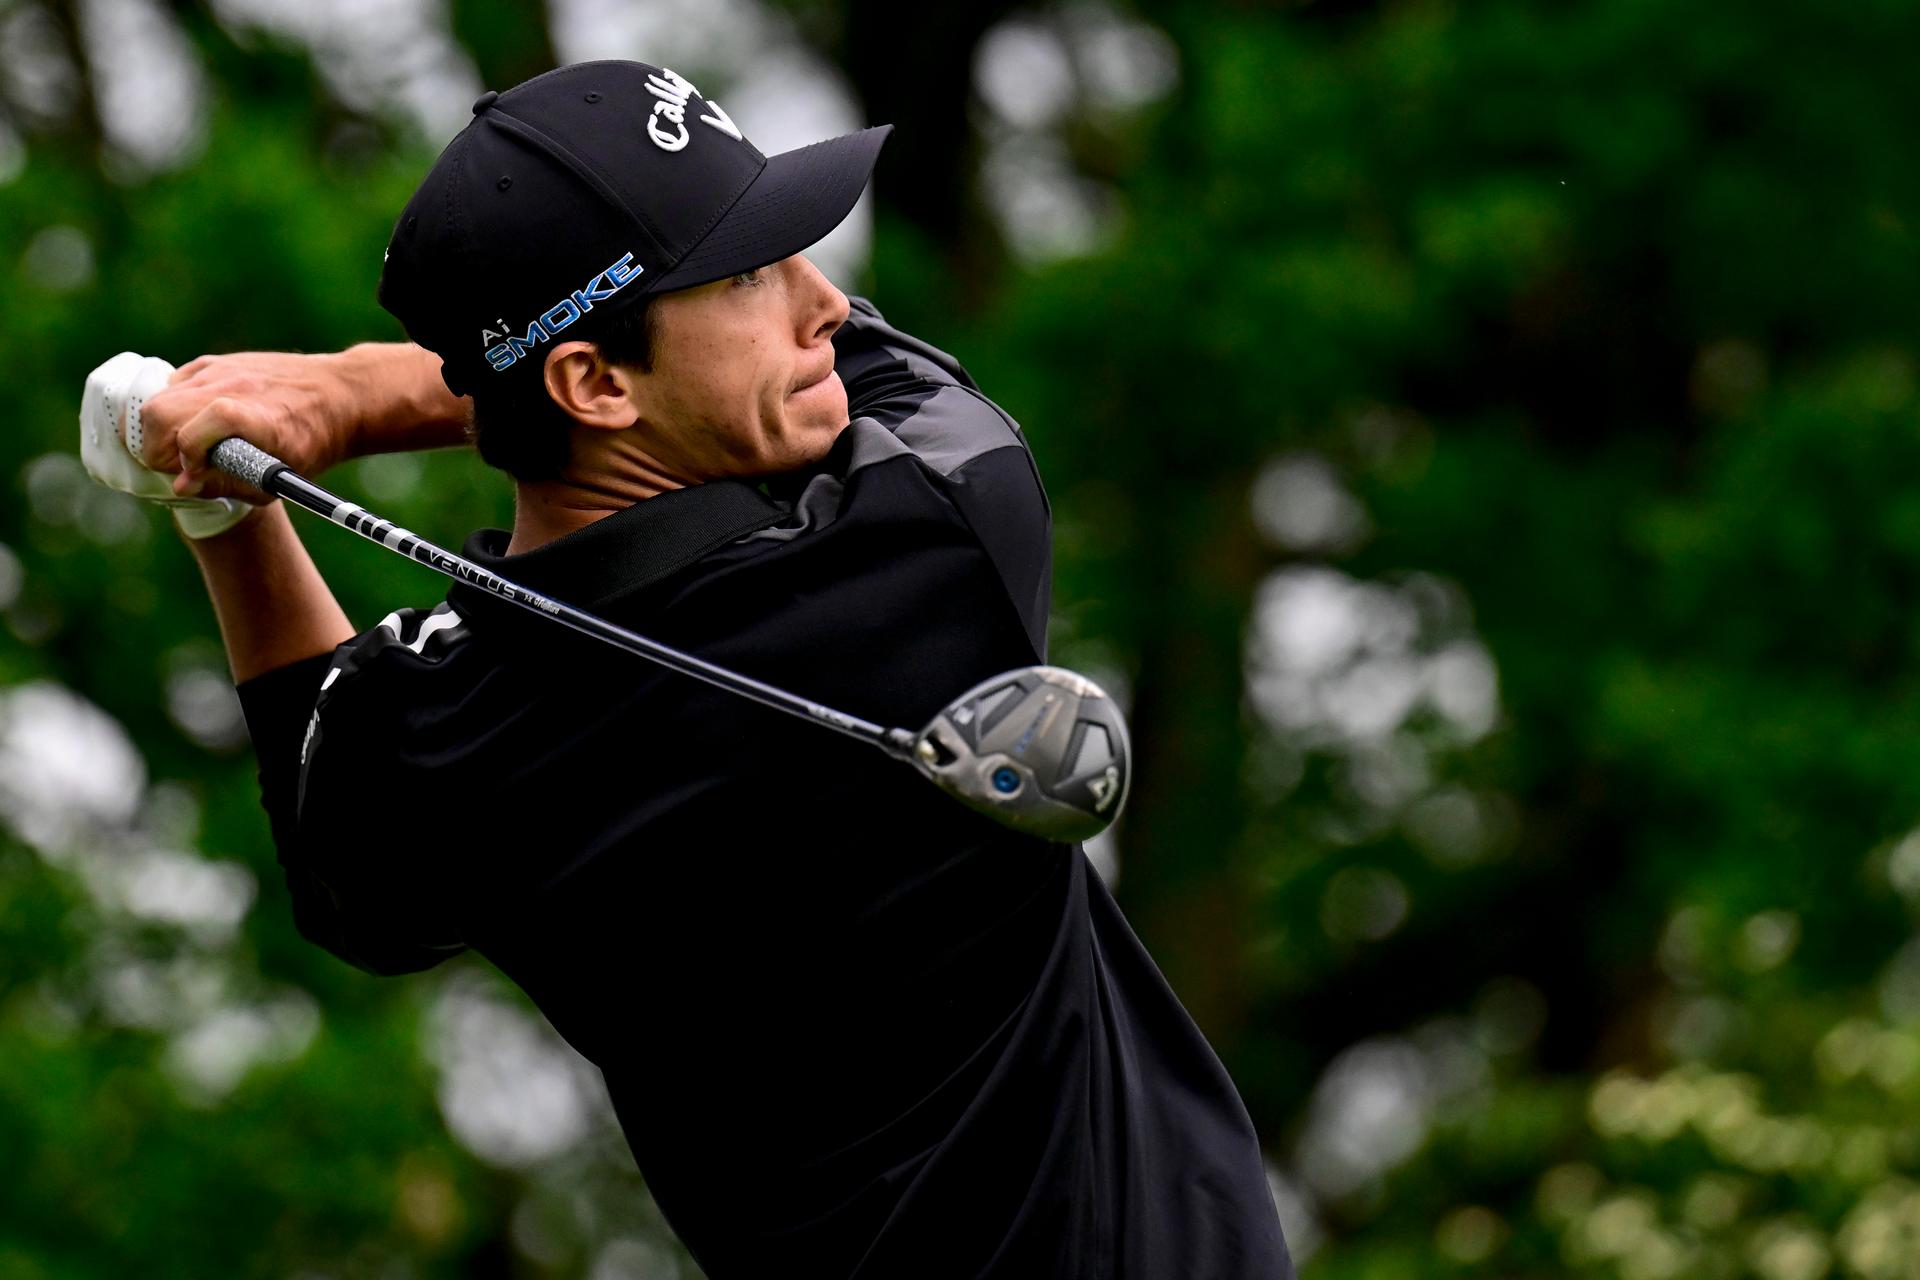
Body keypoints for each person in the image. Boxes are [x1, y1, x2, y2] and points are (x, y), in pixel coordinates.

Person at [106, 60, 1293, 1278]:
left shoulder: (449, 752)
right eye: (748, 275)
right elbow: (864, 378)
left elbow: (337, 840)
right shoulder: (931, 541)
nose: (824, 302)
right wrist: (360, 395)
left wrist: (225, 504)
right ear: (596, 382)